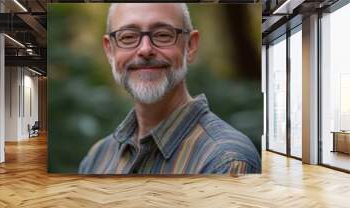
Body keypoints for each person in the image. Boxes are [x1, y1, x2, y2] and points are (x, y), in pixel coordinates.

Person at [79, 3, 261, 174]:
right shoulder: (97, 159)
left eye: (162, 34)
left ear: (190, 46)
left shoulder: (226, 162)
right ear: (110, 50)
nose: (145, 49)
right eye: (128, 36)